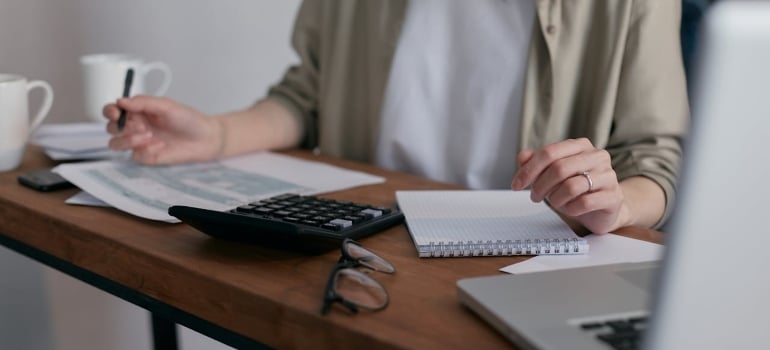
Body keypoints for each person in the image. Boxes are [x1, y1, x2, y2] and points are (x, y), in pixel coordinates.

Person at [103, 0, 689, 235]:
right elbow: (309, 97)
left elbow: (656, 161)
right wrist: (218, 133)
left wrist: (614, 204)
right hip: (363, 241)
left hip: (521, 252)